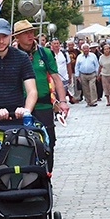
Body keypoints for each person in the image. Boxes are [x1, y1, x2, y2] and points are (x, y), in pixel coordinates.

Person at [12, 20, 69, 173]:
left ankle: (47, 174)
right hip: (21, 107)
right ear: (17, 37)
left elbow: (56, 78)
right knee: (22, 142)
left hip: (44, 105)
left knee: (48, 142)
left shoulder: (45, 53)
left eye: (32, 32)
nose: (31, 35)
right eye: (26, 33)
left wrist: (62, 101)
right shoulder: (12, 54)